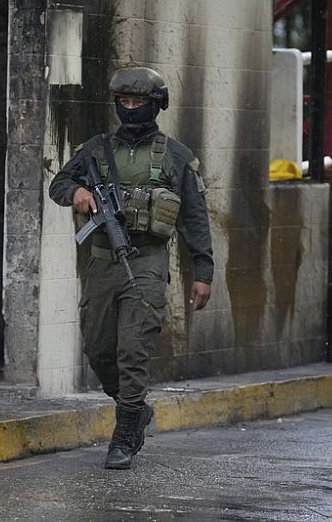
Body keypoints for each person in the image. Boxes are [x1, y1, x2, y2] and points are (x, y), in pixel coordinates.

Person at [48, 66, 214, 470]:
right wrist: (79, 192)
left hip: (147, 263)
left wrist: (203, 272)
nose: (131, 107)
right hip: (102, 263)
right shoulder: (95, 149)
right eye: (125, 101)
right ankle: (135, 408)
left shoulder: (175, 157)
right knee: (98, 347)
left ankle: (124, 436)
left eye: (139, 101)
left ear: (156, 105)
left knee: (132, 349)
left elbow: (194, 217)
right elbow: (58, 185)